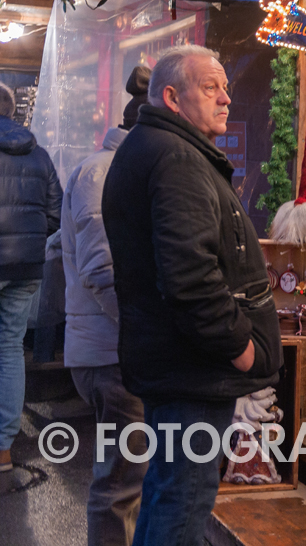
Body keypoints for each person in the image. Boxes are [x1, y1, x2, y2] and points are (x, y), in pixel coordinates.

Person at [103, 46, 282, 546]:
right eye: (210, 88)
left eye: (224, 87)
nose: (226, 98)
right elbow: (190, 278)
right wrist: (241, 348)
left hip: (178, 365)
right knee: (181, 503)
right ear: (172, 97)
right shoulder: (177, 157)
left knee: (170, 494)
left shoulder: (160, 148)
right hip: (192, 371)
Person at [63, 66, 150, 546]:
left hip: (117, 350)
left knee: (131, 481)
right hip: (113, 354)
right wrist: (148, 331)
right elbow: (101, 270)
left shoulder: (121, 169)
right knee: (120, 485)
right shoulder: (102, 172)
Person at [0, 82, 61, 472]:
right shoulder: (39, 155)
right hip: (26, 267)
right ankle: (3, 447)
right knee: (9, 348)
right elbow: (55, 213)